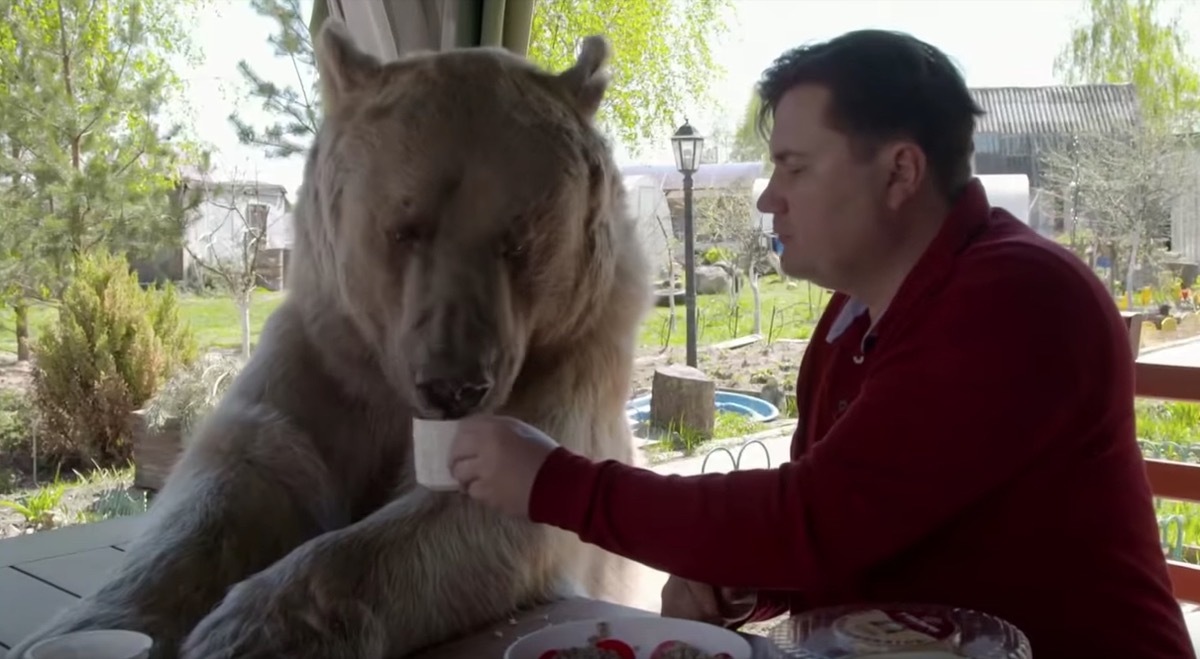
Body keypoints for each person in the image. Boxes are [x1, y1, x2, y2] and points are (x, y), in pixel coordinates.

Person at [447, 29, 1195, 658]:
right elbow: (845, 528)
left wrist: (550, 482)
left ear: (901, 171)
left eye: (793, 167)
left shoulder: (1021, 297)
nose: (769, 196)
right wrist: (748, 579)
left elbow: (808, 521)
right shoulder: (853, 316)